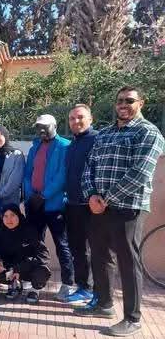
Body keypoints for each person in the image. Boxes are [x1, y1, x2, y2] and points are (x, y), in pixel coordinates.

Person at [78, 86, 165, 337]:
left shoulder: (148, 132)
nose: (123, 104)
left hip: (129, 207)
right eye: (119, 101)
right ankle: (104, 304)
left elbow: (141, 172)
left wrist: (106, 199)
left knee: (128, 261)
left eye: (129, 100)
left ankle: (132, 318)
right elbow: (89, 166)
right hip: (98, 206)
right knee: (100, 255)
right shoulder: (105, 133)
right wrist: (92, 195)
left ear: (141, 103)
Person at [23, 114, 75, 301]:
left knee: (62, 245)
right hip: (34, 205)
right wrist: (31, 195)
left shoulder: (65, 146)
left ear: (54, 126)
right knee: (34, 244)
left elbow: (62, 175)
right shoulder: (35, 146)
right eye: (38, 127)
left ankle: (67, 284)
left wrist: (44, 195)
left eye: (45, 126)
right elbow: (27, 174)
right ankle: (35, 284)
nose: (41, 130)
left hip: (54, 205)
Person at [63, 105, 100, 304]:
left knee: (97, 250)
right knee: (77, 249)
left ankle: (98, 291)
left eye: (80, 117)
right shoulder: (72, 145)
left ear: (90, 119)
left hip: (91, 205)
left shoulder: (98, 140)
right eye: (72, 118)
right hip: (72, 204)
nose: (76, 121)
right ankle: (83, 287)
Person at [0, 205, 51, 304]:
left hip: (28, 267)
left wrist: (20, 268)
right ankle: (14, 285)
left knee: (42, 270)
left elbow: (44, 254)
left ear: (18, 215)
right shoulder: (0, 230)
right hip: (10, 268)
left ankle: (34, 290)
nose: (9, 219)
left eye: (12, 215)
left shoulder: (29, 229)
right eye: (5, 216)